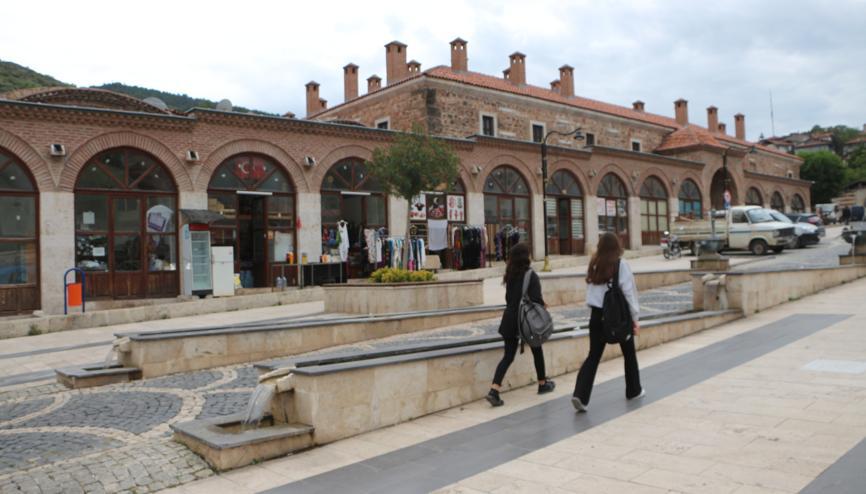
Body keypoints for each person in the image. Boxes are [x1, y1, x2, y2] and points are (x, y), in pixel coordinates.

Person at [572, 232, 643, 412]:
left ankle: (580, 395)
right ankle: (634, 390)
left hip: (596, 317)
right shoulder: (621, 265)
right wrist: (635, 319)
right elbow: (629, 293)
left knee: (593, 355)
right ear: (616, 247)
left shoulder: (594, 265)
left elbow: (590, 294)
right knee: (628, 353)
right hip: (617, 316)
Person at [486, 242, 555, 406]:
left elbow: (509, 299)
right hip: (526, 322)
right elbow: (536, 299)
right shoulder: (531, 275)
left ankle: (494, 390)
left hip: (509, 319)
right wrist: (543, 305)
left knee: (508, 356)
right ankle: (542, 384)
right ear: (526, 257)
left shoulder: (510, 275)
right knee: (537, 348)